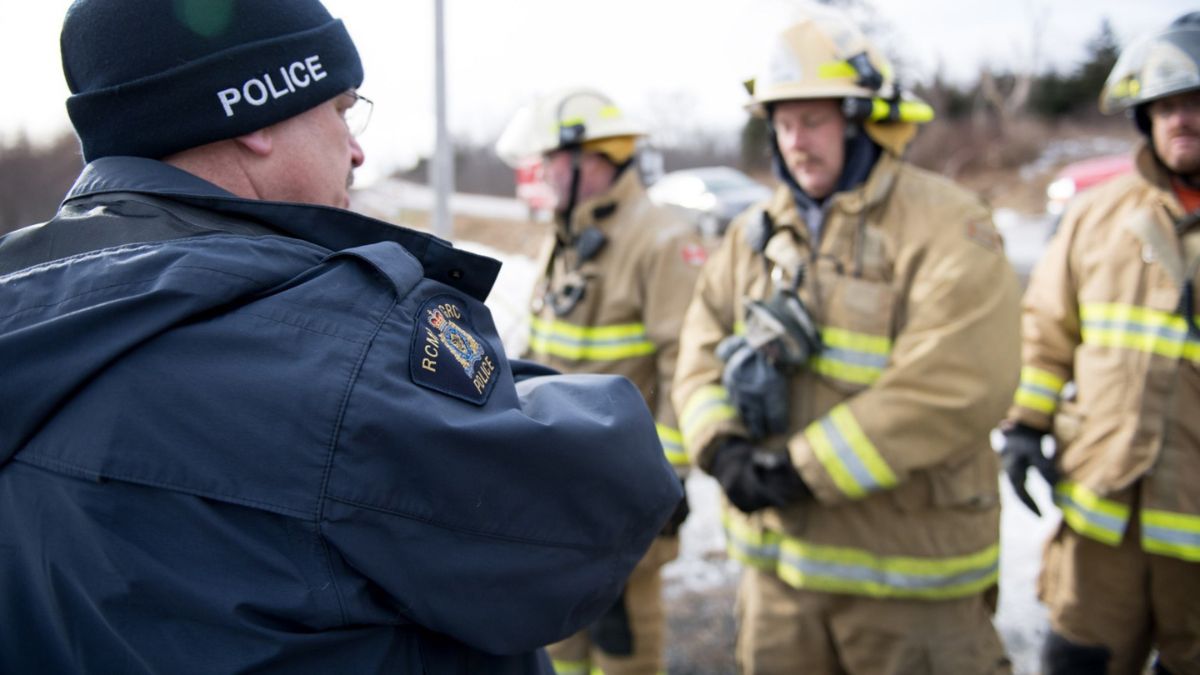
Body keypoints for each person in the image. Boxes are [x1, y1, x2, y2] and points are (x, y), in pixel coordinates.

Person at [0, 2, 683, 673]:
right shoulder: (331, 345)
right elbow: (594, 498)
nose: (356, 147)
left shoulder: (24, 308)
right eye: (340, 109)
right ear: (255, 115)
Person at [672, 7, 1021, 674]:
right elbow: (699, 346)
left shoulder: (948, 225)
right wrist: (720, 444)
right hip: (779, 586)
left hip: (912, 588)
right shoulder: (753, 234)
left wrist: (799, 469)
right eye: (783, 121)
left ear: (861, 121)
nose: (797, 141)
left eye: (815, 119)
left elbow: (957, 380)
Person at [1000, 13, 1200, 675]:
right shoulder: (1098, 215)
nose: (1181, 120)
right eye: (1166, 105)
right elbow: (1046, 330)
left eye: (1197, 103)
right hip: (1100, 514)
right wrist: (1027, 425)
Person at [495, 88, 706, 675]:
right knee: (560, 648)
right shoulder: (567, 239)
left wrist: (668, 479)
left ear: (591, 161)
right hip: (562, 495)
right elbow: (540, 354)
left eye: (550, 163)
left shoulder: (661, 239)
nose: (542, 177)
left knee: (624, 648)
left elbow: (684, 366)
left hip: (628, 497)